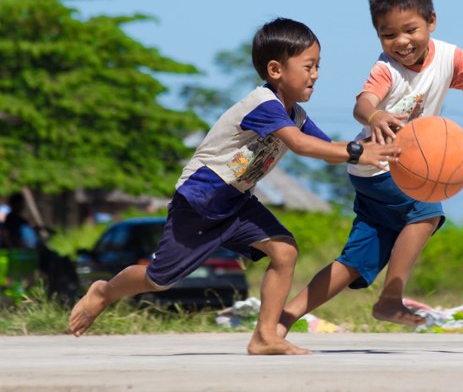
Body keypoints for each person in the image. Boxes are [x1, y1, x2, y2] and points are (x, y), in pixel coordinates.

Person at [68, 18, 400, 355]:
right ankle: (103, 292)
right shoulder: (264, 105)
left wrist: (382, 144)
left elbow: (329, 151)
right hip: (201, 200)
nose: (315, 74)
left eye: (318, 66)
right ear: (275, 70)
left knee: (284, 252)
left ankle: (264, 336)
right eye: (308, 66)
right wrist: (359, 151)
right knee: (159, 279)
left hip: (237, 202)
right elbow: (302, 146)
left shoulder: (294, 114)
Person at [278, 0, 463, 334]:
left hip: (387, 170)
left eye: (410, 30)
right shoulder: (385, 70)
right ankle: (391, 298)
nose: (401, 42)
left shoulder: (451, 57)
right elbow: (362, 105)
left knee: (356, 261)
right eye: (389, 35)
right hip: (377, 166)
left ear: (431, 21)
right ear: (378, 36)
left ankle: (284, 318)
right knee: (426, 209)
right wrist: (375, 115)